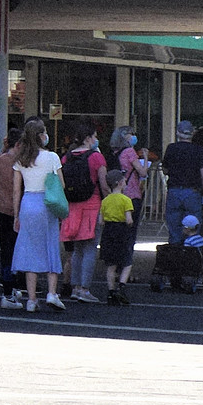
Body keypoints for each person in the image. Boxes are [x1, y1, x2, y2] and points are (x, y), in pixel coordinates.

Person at [11, 119, 65, 312]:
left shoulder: (21, 159)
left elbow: (16, 191)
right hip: (46, 203)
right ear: (42, 135)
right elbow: (61, 184)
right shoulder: (52, 157)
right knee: (50, 246)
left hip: (27, 203)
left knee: (30, 250)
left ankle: (31, 300)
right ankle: (52, 293)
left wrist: (16, 215)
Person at [58, 123, 108, 303]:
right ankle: (85, 289)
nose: (96, 140)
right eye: (94, 137)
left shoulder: (66, 158)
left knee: (77, 250)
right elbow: (103, 184)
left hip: (72, 206)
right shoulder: (97, 157)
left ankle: (75, 287)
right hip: (91, 204)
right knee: (89, 249)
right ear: (88, 139)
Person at [0, 126, 25, 310]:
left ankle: (7, 287)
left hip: (2, 207)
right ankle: (11, 291)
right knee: (17, 252)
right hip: (18, 210)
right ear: (18, 144)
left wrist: (6, 147)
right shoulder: (21, 164)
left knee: (6, 251)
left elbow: (4, 154)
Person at [160, 120, 203, 246]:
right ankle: (191, 255)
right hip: (192, 192)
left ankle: (175, 258)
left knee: (174, 228)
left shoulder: (171, 148)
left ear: (178, 133)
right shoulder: (198, 150)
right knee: (193, 227)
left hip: (174, 190)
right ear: (192, 133)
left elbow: (165, 169)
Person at [96, 172, 138, 305]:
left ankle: (111, 292)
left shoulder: (105, 200)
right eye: (125, 181)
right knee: (126, 262)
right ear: (120, 183)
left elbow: (101, 221)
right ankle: (122, 286)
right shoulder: (126, 200)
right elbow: (129, 220)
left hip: (108, 232)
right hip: (122, 232)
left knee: (111, 265)